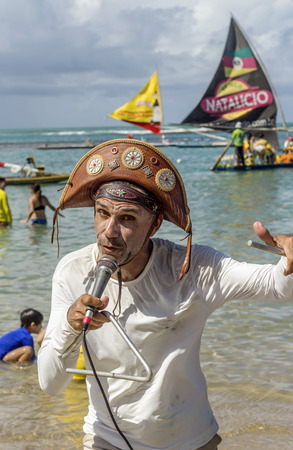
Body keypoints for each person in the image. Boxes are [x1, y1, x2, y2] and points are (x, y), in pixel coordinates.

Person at [37, 139, 293, 450]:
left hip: (191, 440)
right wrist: (69, 326)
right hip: (107, 439)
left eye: (127, 218)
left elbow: (277, 287)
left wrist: (289, 259)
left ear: (156, 223)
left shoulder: (193, 267)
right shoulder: (73, 271)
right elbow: (50, 384)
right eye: (102, 213)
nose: (109, 232)